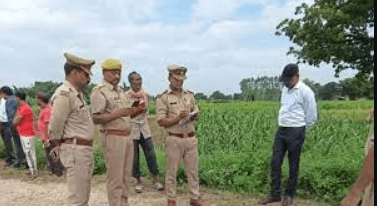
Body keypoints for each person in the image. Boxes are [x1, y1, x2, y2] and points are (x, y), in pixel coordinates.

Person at [259, 64, 318, 206]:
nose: (285, 82)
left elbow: (312, 116)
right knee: (275, 161)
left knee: (293, 164)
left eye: (288, 79)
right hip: (282, 130)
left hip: (296, 130)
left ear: (296, 76)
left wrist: (302, 130)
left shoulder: (306, 91)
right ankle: (275, 194)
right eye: (284, 79)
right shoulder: (285, 90)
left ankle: (290, 195)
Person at [90, 59, 145, 206]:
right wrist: (120, 113)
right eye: (113, 72)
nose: (116, 76)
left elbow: (124, 115)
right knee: (115, 178)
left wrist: (135, 111)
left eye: (119, 72)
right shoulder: (99, 91)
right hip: (112, 137)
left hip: (127, 137)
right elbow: (95, 118)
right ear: (104, 73)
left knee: (126, 176)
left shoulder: (120, 91)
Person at [156, 64, 210, 206]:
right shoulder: (163, 97)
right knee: (171, 172)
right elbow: (161, 121)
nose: (180, 82)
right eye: (176, 79)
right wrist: (178, 118)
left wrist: (193, 115)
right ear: (169, 78)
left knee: (193, 171)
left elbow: (196, 112)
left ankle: (194, 198)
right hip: (174, 139)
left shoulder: (189, 95)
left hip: (190, 138)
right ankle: (171, 200)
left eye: (182, 79)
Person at [48, 53, 95, 206]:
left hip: (82, 150)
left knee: (83, 196)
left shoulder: (77, 94)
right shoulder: (64, 94)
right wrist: (55, 145)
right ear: (74, 73)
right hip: (75, 150)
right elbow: (55, 126)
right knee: (77, 199)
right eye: (86, 74)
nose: (88, 79)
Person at [125, 71, 164, 193]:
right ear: (130, 82)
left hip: (144, 128)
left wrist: (143, 110)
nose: (139, 81)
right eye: (136, 80)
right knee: (134, 157)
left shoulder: (145, 94)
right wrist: (136, 110)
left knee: (151, 154)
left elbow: (146, 113)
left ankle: (156, 180)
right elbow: (125, 114)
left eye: (140, 79)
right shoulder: (125, 96)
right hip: (132, 129)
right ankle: (139, 181)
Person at [35, 92, 65, 177]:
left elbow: (48, 125)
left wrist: (47, 138)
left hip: (50, 137)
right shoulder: (44, 109)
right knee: (49, 155)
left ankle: (58, 172)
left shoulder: (48, 110)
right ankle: (54, 170)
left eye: (39, 100)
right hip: (46, 137)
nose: (37, 102)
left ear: (42, 100)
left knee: (53, 154)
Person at [13, 91, 38, 178]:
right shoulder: (23, 107)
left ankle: (33, 172)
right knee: (28, 152)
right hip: (24, 133)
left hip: (27, 133)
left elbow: (16, 121)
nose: (15, 100)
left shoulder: (24, 108)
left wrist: (16, 117)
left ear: (19, 98)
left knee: (29, 153)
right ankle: (32, 170)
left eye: (16, 98)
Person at [0, 86, 26, 168]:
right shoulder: (15, 99)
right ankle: (22, 161)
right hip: (19, 124)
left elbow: (11, 115)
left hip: (12, 124)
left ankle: (20, 162)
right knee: (19, 143)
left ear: (3, 93)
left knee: (17, 143)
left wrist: (13, 126)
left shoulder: (9, 101)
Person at [0, 88, 16, 168]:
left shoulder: (6, 102)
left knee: (8, 142)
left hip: (6, 124)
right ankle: (9, 159)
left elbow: (10, 115)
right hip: (1, 124)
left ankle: (11, 160)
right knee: (6, 142)